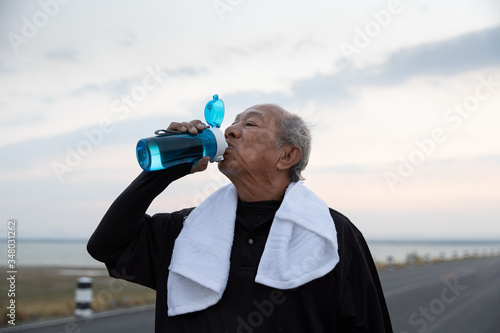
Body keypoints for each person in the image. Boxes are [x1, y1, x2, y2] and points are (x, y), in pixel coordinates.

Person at [87, 103, 393, 332]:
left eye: (250, 124)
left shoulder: (330, 234)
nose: (231, 131)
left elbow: (368, 324)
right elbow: (107, 246)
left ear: (287, 156)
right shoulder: (186, 229)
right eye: (232, 123)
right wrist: (161, 172)